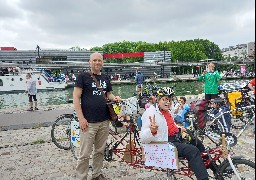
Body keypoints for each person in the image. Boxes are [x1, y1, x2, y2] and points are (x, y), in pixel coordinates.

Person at [140, 89, 209, 180]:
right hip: (165, 143)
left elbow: (170, 125)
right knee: (193, 150)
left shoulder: (166, 111)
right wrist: (152, 131)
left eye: (169, 100)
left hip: (176, 137)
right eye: (164, 99)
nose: (168, 102)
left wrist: (180, 128)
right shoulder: (150, 113)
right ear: (158, 100)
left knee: (197, 143)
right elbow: (143, 138)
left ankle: (213, 168)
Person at [73, 52, 121, 180]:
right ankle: (81, 177)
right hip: (88, 122)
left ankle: (96, 175)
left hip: (104, 121)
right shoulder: (83, 77)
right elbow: (76, 98)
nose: (97, 63)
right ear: (90, 62)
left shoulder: (105, 78)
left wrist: (114, 98)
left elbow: (108, 94)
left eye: (99, 60)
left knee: (100, 151)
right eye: (94, 60)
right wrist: (81, 119)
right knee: (84, 154)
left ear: (102, 63)